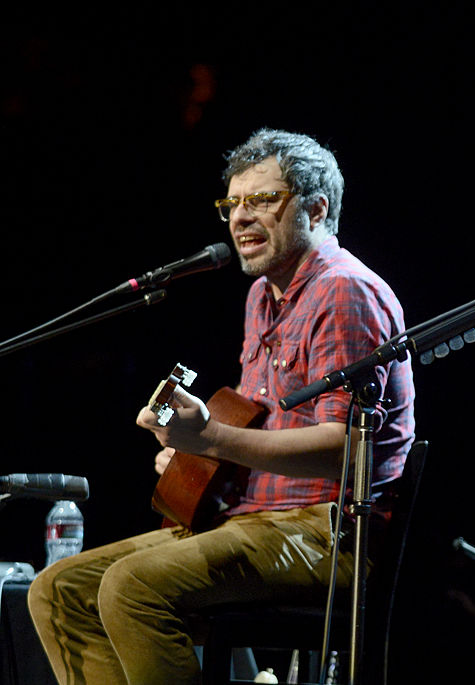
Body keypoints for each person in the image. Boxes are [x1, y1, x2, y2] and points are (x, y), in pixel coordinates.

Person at [27, 129, 415, 685]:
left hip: (329, 533)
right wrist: (192, 458)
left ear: (316, 207)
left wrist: (209, 439)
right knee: (59, 590)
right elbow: (258, 427)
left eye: (262, 200)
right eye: (232, 204)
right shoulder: (263, 295)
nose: (240, 217)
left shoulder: (343, 291)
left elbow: (344, 452)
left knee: (131, 586)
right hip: (253, 519)